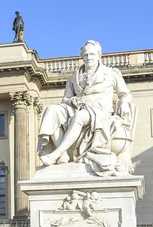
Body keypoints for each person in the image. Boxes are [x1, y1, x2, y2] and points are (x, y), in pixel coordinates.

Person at [37, 40, 133, 176]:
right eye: (86, 55)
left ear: (99, 55)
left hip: (100, 111)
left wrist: (124, 103)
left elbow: (125, 94)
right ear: (82, 57)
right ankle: (63, 154)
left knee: (80, 116)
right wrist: (73, 100)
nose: (89, 58)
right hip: (78, 107)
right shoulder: (73, 78)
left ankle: (55, 154)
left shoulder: (111, 73)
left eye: (92, 54)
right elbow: (65, 99)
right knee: (52, 110)